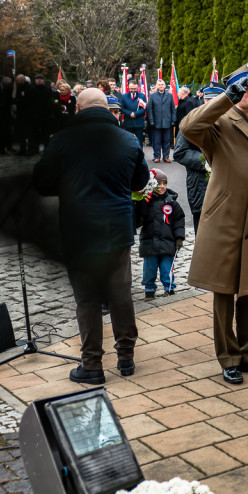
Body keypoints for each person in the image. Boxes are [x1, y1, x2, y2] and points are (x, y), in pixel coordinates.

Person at [32, 88, 150, 384]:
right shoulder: (128, 139)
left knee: (87, 299)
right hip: (117, 229)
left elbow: (43, 184)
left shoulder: (62, 140)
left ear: (78, 109)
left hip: (79, 231)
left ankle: (92, 365)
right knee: (121, 294)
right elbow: (140, 181)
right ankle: (126, 358)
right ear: (107, 109)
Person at [180, 64, 248, 385]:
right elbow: (188, 127)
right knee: (224, 293)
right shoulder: (219, 123)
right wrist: (225, 99)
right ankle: (228, 358)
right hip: (224, 221)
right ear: (237, 92)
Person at [173, 82, 220, 232]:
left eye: (215, 99)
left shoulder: (234, 121)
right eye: (207, 99)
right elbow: (180, 152)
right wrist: (206, 161)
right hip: (200, 185)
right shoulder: (192, 120)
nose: (210, 103)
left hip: (228, 188)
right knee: (203, 237)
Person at [135, 168, 185, 298]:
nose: (162, 186)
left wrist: (179, 237)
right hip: (149, 242)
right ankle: (149, 290)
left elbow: (179, 220)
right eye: (158, 183)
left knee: (166, 268)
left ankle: (169, 288)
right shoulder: (145, 201)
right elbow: (139, 218)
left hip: (167, 242)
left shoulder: (172, 202)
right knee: (149, 269)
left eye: (164, 183)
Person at [144, 79, 175, 162]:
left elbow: (173, 109)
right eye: (159, 85)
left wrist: (173, 120)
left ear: (165, 86)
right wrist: (151, 120)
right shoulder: (152, 96)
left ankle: (166, 157)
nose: (161, 86)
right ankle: (157, 156)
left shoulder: (170, 95)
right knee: (157, 140)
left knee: (167, 140)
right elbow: (150, 110)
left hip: (167, 121)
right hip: (156, 122)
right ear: (157, 86)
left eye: (162, 84)